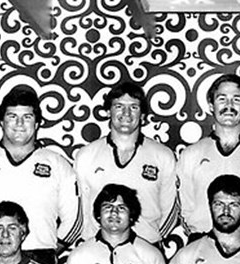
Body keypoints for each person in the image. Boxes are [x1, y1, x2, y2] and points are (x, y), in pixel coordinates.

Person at [0, 85, 81, 264]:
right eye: (12, 116)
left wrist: (50, 250)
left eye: (27, 117)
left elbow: (74, 218)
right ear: (1, 121)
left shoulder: (58, 165)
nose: (20, 124)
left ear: (37, 123)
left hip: (39, 256)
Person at [176, 74, 240, 241]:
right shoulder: (191, 154)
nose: (229, 105)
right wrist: (196, 236)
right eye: (222, 99)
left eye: (236, 99)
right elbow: (184, 206)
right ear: (211, 106)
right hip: (202, 245)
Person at [74, 81, 178, 243]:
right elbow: (81, 211)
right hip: (98, 249)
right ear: (108, 112)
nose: (126, 113)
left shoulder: (163, 156)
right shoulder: (86, 156)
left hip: (145, 247)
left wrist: (148, 242)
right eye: (119, 106)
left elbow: (171, 210)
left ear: (142, 115)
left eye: (134, 107)